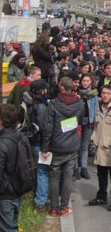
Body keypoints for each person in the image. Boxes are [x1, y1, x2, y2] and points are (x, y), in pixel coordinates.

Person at [42, 77, 85, 217]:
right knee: (67, 177)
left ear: (61, 87)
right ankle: (64, 207)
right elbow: (81, 121)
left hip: (56, 145)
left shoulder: (53, 104)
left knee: (54, 177)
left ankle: (54, 208)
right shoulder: (79, 103)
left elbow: (47, 127)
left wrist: (45, 147)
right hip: (72, 145)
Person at [89, 85, 111, 212]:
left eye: (107, 93)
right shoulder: (99, 108)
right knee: (101, 175)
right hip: (100, 147)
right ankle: (101, 196)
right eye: (103, 93)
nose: (104, 95)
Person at [22, 79, 50, 211]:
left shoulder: (27, 101)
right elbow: (45, 129)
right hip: (40, 142)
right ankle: (40, 201)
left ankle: (35, 192)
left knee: (34, 168)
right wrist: (46, 147)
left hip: (29, 139)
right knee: (43, 171)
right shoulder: (41, 107)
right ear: (41, 91)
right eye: (45, 89)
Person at [0, 104, 22, 231]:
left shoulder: (3, 142)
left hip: (5, 194)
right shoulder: (20, 137)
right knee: (13, 224)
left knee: (7, 228)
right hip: (17, 190)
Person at [77, 73, 99, 180]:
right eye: (83, 81)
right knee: (76, 145)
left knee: (85, 146)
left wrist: (95, 122)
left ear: (91, 82)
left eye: (87, 81)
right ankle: (76, 168)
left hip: (89, 121)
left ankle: (84, 167)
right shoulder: (77, 93)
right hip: (77, 122)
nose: (85, 83)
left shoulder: (94, 94)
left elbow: (96, 109)